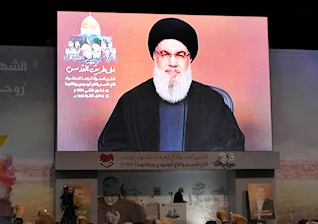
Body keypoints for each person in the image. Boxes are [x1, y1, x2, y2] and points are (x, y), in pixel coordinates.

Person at [97, 17, 245, 151]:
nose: (173, 63)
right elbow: (110, 150)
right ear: (155, 58)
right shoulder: (130, 102)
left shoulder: (212, 102)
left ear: (189, 60)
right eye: (165, 54)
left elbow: (233, 147)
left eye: (180, 55)